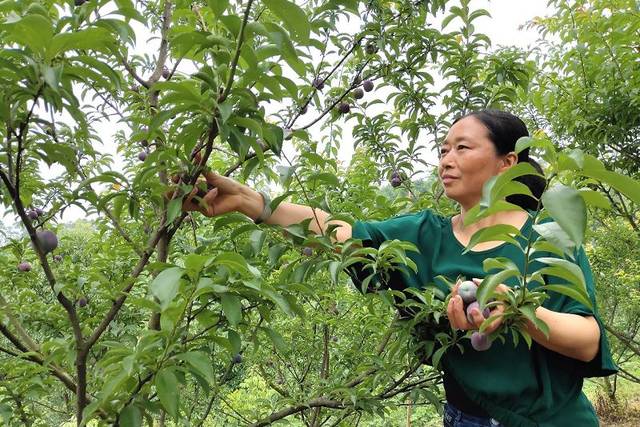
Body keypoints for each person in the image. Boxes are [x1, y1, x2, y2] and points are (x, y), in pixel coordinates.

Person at [182, 109, 617, 427]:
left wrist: (519, 312)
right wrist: (251, 202)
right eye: (443, 149)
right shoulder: (423, 235)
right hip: (465, 419)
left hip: (552, 421)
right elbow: (339, 230)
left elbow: (586, 339)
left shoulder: (548, 238)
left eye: (462, 148)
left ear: (508, 164)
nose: (446, 159)